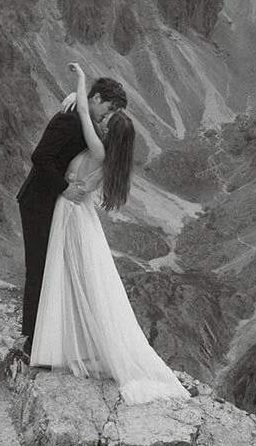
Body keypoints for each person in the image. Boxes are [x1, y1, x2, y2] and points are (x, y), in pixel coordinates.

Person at [30, 63, 188, 405]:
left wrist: (80, 82)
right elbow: (88, 114)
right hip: (77, 213)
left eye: (107, 121)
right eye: (107, 116)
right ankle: (72, 343)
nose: (102, 121)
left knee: (62, 276)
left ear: (110, 133)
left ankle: (55, 345)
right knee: (78, 280)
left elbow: (86, 114)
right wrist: (78, 93)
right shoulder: (109, 155)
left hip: (69, 213)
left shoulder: (99, 150)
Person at [16, 71, 127, 358]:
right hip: (38, 201)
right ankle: (31, 340)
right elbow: (40, 157)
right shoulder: (69, 119)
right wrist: (64, 188)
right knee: (39, 269)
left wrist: (78, 99)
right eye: (109, 108)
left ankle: (45, 337)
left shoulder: (84, 120)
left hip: (54, 203)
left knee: (52, 268)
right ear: (98, 99)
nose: (107, 116)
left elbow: (94, 136)